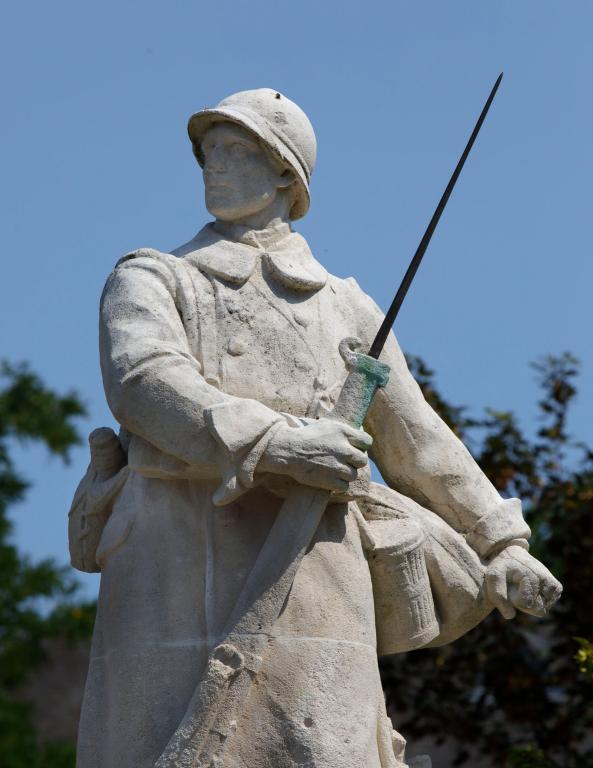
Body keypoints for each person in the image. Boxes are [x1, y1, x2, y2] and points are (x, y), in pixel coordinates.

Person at [70, 88, 562, 768]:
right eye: (209, 153)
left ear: (285, 174)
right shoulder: (153, 277)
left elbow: (415, 437)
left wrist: (500, 540)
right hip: (172, 556)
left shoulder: (344, 305)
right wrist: (276, 443)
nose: (214, 168)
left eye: (237, 152)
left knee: (322, 745)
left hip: (313, 565)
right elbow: (144, 382)